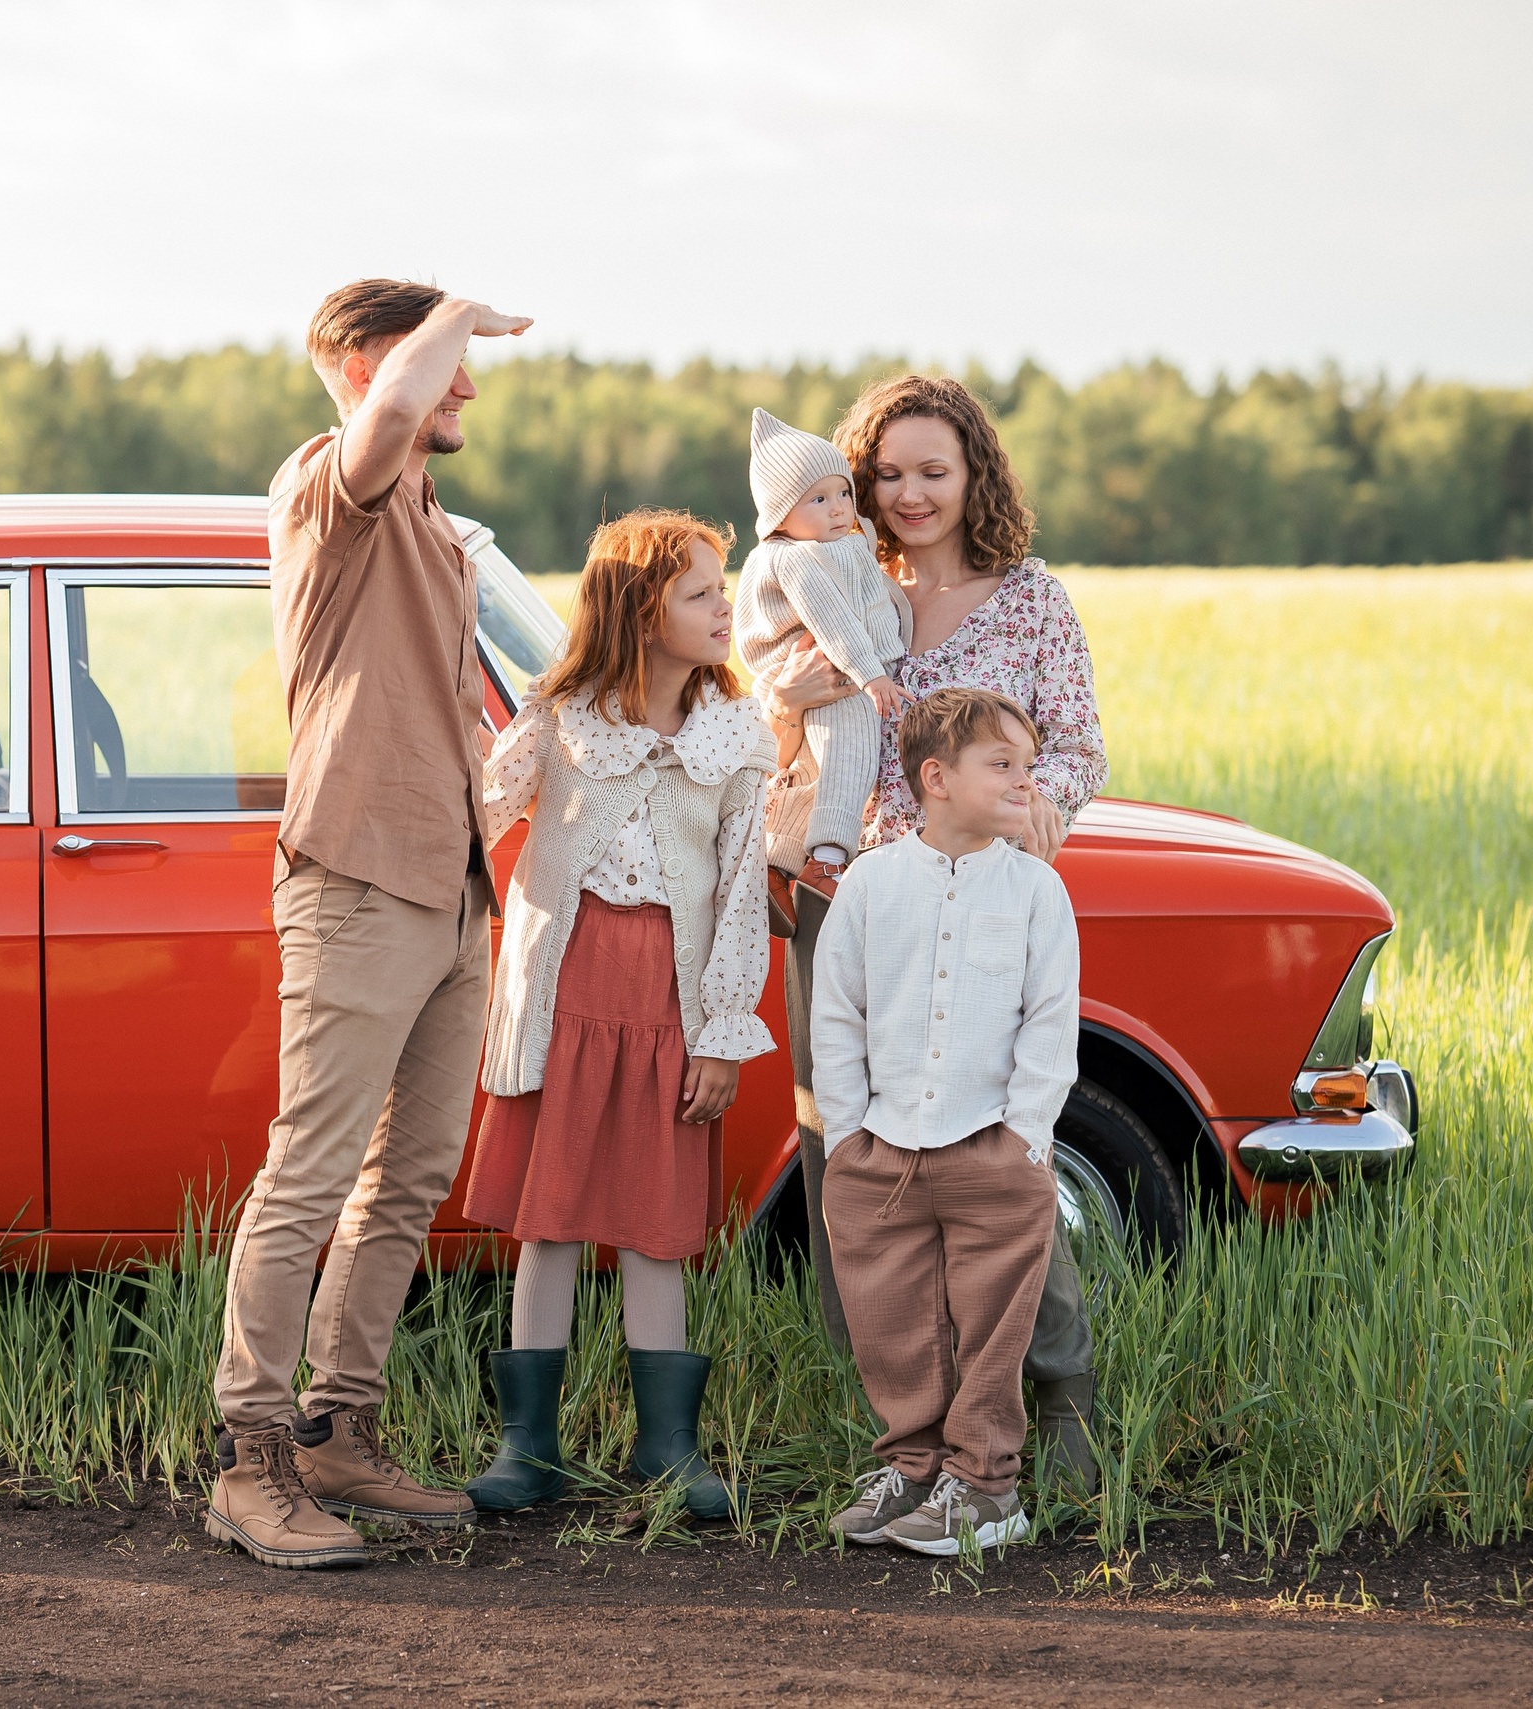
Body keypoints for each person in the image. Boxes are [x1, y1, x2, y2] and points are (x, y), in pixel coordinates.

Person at [204, 280, 531, 1571]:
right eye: (442, 362)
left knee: (408, 1177)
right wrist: (462, 308)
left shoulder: (431, 519)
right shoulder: (331, 488)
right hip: (355, 878)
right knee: (310, 1176)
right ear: (359, 366)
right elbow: (400, 400)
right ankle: (253, 1460)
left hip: (449, 886)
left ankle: (341, 1427)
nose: (466, 385)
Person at [757, 373, 1108, 1479]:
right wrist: (787, 700)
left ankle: (1056, 1404)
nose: (909, 493)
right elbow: (764, 727)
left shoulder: (1031, 599)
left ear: (974, 475)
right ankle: (907, 1428)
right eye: (888, 473)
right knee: (853, 1157)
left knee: (997, 1152)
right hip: (846, 897)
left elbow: (1077, 747)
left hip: (981, 906)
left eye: (933, 470)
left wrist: (1029, 801)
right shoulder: (835, 585)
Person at [458, 508, 778, 1520]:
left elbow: (737, 894)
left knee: (655, 1225)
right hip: (563, 989)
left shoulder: (736, 737)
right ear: (641, 613)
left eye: (718, 588)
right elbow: (479, 807)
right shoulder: (562, 720)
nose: (722, 607)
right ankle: (527, 1445)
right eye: (698, 592)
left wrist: (722, 1032)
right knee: (548, 1223)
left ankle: (667, 1447)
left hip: (671, 1003)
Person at [813, 686, 1080, 1553]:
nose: (1024, 785)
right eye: (1002, 766)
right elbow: (839, 1015)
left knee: (993, 1324)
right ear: (935, 778)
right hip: (882, 1150)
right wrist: (849, 1136)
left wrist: (1025, 1140)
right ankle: (915, 1468)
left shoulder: (1038, 891)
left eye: (1028, 768)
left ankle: (986, 1487)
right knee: (891, 1320)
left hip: (991, 1151)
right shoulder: (869, 883)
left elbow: (1050, 1024)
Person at [734, 408, 910, 891]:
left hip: (825, 672)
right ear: (779, 514)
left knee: (812, 769)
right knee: (849, 751)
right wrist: (870, 675)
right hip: (832, 672)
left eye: (844, 494)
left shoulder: (834, 544)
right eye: (817, 498)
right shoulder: (794, 558)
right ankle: (828, 858)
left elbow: (873, 592)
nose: (838, 508)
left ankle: (776, 867)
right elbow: (833, 619)